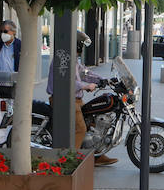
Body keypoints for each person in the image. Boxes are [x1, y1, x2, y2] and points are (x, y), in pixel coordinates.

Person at [46, 30, 117, 165]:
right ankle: (71, 160)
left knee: (92, 122)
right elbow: (66, 82)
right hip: (65, 101)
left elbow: (84, 72)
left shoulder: (72, 59)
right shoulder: (61, 59)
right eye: (82, 45)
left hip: (75, 100)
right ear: (77, 44)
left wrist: (103, 80)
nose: (82, 49)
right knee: (80, 128)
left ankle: (96, 155)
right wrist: (86, 86)